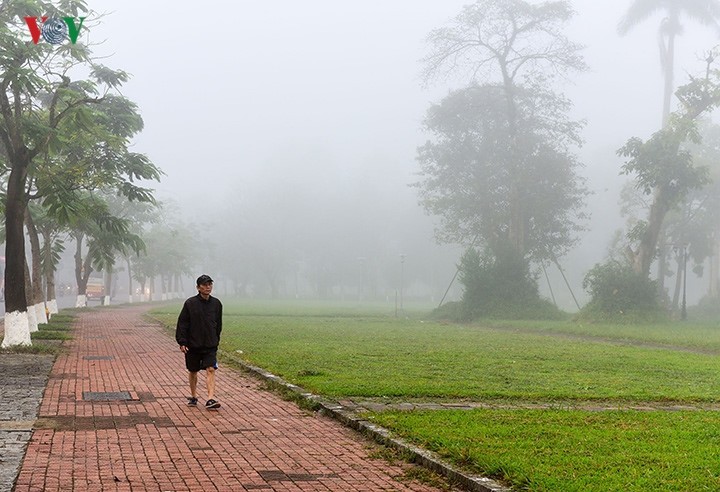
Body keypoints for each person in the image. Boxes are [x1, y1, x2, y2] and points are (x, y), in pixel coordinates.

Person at [176, 274, 223, 409]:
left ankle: (211, 398)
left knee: (211, 369)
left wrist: (216, 339)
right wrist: (182, 341)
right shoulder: (190, 303)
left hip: (210, 344)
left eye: (210, 284)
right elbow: (183, 323)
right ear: (198, 287)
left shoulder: (216, 304)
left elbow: (218, 324)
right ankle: (194, 395)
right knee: (193, 370)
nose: (208, 287)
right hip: (193, 344)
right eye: (204, 285)